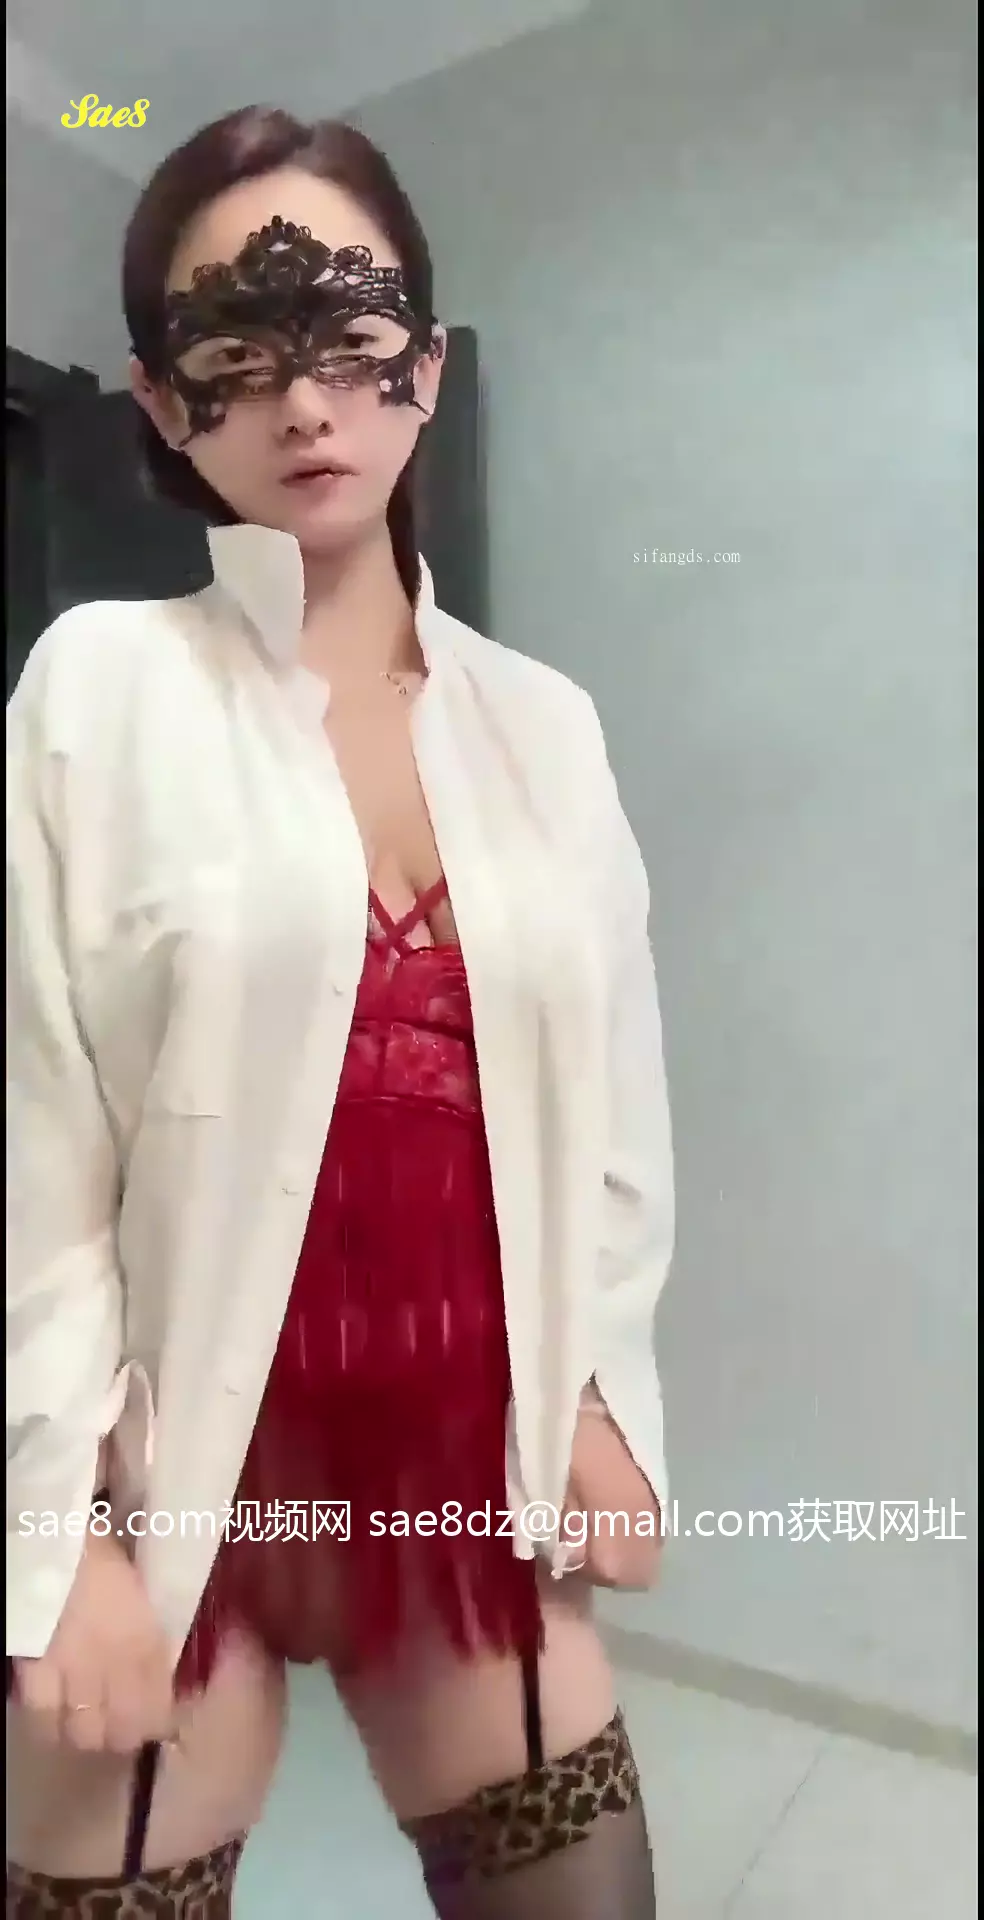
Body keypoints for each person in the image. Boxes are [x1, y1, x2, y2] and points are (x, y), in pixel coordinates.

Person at [5, 107, 675, 1918]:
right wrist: (53, 1541)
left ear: (425, 367)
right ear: (163, 406)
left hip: (464, 1457)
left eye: (349, 340)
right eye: (235, 355)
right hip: (176, 1478)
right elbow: (35, 1144)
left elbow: (612, 1100)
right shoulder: (98, 693)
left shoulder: (544, 726)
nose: (303, 404)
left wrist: (599, 1392)